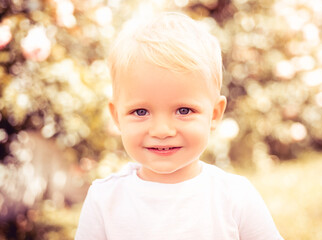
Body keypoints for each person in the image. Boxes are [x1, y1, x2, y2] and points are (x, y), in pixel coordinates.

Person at [75, 12, 283, 240]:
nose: (162, 131)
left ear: (214, 114)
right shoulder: (105, 200)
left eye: (184, 110)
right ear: (117, 116)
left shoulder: (234, 197)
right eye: (140, 112)